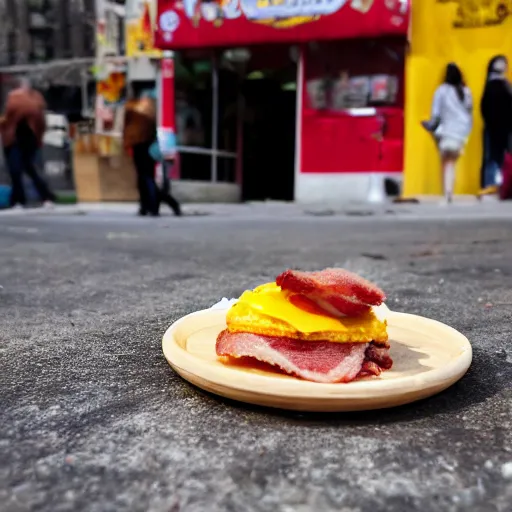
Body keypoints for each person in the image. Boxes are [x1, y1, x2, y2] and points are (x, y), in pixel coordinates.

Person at [1, 77, 56, 208]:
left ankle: (20, 200)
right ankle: (45, 197)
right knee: (28, 169)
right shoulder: (36, 99)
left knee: (16, 170)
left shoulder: (17, 99)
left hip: (16, 139)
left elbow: (10, 115)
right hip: (27, 138)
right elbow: (40, 122)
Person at [429, 63, 473, 203]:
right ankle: (449, 192)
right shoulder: (466, 91)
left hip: (445, 131)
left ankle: (447, 193)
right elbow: (469, 111)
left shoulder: (441, 91)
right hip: (461, 131)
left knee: (445, 162)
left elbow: (435, 114)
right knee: (452, 163)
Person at [123, 92, 159, 216]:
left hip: (137, 144)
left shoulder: (131, 109)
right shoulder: (150, 109)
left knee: (142, 176)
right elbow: (153, 128)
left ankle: (145, 206)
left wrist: (126, 143)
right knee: (148, 176)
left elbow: (127, 128)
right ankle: (152, 206)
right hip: (148, 144)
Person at [480, 55, 512, 190]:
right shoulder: (498, 85)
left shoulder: (505, 84)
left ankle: (497, 185)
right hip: (498, 127)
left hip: (500, 127)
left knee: (495, 158)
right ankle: (492, 185)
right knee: (493, 158)